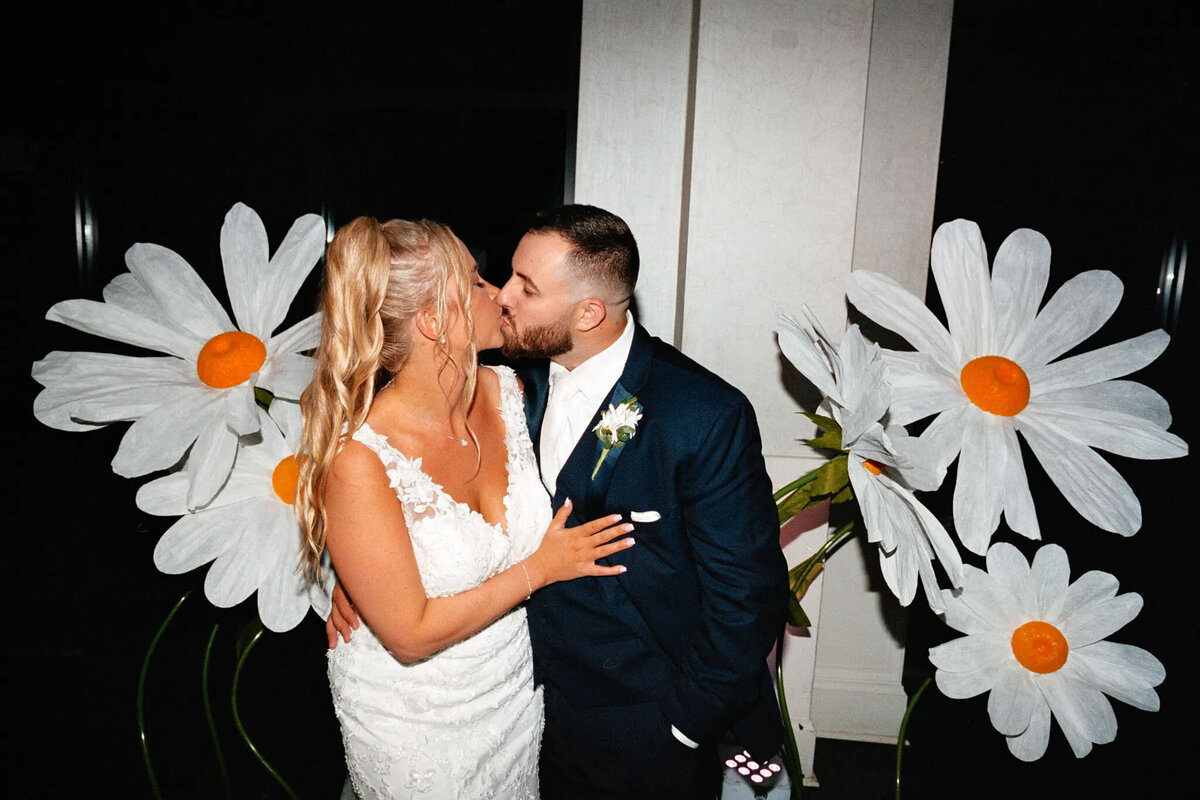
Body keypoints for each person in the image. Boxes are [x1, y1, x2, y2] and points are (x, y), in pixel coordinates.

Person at [330, 205, 789, 799]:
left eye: (526, 286)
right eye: (495, 278)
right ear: (431, 322)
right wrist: (362, 575)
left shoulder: (699, 414)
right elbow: (393, 499)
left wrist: (683, 726)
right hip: (512, 707)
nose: (502, 297)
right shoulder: (524, 384)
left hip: (643, 723)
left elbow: (747, 594)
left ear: (589, 312)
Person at [296, 215, 635, 800]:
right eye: (477, 283)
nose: (499, 294)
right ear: (432, 320)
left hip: (513, 696)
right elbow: (408, 635)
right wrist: (541, 568)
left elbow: (614, 368)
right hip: (416, 720)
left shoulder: (513, 391)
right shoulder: (362, 460)